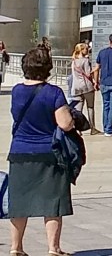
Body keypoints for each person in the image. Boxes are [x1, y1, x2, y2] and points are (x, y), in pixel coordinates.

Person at [8, 47, 76, 256]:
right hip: (48, 153)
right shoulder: (53, 92)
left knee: (19, 202)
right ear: (47, 68)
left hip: (19, 151)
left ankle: (16, 247)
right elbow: (65, 124)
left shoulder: (17, 91)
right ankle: (53, 248)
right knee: (52, 201)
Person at [70, 42, 98, 134]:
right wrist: (95, 70)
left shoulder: (73, 61)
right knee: (90, 107)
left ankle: (78, 129)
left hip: (76, 86)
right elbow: (88, 73)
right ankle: (93, 128)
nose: (87, 50)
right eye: (86, 49)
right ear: (81, 50)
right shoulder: (85, 61)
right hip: (87, 86)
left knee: (78, 109)